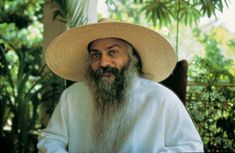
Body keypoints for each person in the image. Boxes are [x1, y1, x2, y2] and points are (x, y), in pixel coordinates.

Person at [37, 19, 204, 153]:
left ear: (132, 58)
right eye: (96, 55)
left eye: (112, 52)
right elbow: (51, 139)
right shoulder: (73, 96)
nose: (103, 62)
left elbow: (191, 147)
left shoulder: (161, 99)